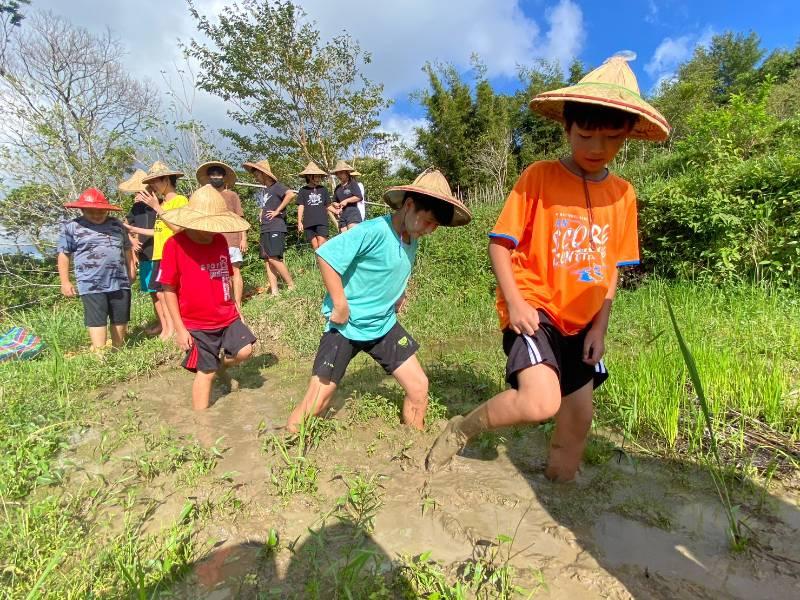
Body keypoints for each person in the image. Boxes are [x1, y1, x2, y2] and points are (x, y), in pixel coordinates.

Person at [425, 55, 671, 481]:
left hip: (583, 322)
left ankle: (560, 496)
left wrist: (599, 329)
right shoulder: (539, 176)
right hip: (535, 309)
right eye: (586, 134)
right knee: (540, 403)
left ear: (629, 134)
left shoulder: (623, 195)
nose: (597, 148)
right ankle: (461, 429)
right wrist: (517, 304)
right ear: (566, 128)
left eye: (612, 137)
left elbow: (611, 270)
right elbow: (500, 246)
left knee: (578, 420)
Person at [285, 169, 472, 432]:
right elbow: (326, 255)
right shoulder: (372, 231)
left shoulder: (411, 236)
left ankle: (414, 446)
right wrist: (340, 304)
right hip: (347, 326)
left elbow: (396, 265)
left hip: (383, 325)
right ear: (409, 206)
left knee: (419, 388)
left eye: (435, 226)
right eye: (428, 222)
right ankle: (287, 446)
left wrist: (400, 293)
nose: (429, 231)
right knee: (318, 400)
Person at [156, 185, 256, 411]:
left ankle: (220, 365)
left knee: (245, 350)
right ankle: (202, 423)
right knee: (206, 373)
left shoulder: (219, 241)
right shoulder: (175, 245)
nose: (210, 231)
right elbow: (168, 289)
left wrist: (237, 309)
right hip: (197, 323)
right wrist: (179, 328)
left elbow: (226, 277)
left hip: (226, 314)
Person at [57, 188, 135, 351]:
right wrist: (65, 281)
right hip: (91, 283)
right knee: (96, 319)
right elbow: (64, 254)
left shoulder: (116, 224)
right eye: (91, 212)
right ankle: (100, 355)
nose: (97, 215)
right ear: (82, 210)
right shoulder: (72, 227)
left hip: (119, 280)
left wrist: (131, 268)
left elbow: (127, 248)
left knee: (120, 316)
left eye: (101, 211)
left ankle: (118, 350)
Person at [123, 161, 189, 340]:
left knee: (166, 291)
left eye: (155, 182)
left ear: (166, 179)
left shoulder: (179, 200)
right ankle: (168, 327)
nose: (152, 186)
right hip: (159, 254)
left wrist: (156, 208)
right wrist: (134, 231)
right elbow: (159, 230)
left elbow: (178, 228)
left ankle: (175, 328)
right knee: (158, 291)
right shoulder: (165, 204)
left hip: (172, 252)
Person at [119, 169, 164, 336]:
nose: (141, 193)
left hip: (159, 252)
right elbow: (125, 226)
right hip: (145, 253)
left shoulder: (160, 204)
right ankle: (161, 323)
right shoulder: (136, 208)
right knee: (152, 292)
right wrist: (132, 242)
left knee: (163, 291)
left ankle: (170, 324)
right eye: (138, 191)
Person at [197, 161, 248, 305]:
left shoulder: (232, 196)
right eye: (212, 174)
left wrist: (243, 238)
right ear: (208, 177)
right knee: (218, 273)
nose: (215, 177)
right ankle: (226, 301)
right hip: (212, 240)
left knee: (235, 271)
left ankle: (237, 303)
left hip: (232, 239)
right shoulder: (205, 197)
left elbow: (240, 218)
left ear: (224, 177)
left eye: (218, 174)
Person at [244, 159, 296, 295]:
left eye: (257, 175)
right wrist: (261, 213)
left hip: (276, 226)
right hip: (265, 227)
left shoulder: (277, 186)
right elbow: (265, 205)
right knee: (267, 259)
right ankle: (274, 291)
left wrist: (278, 211)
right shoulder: (265, 190)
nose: (256, 178)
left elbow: (291, 194)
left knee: (273, 257)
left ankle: (291, 284)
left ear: (264, 174)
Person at [295, 161, 337, 250]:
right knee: (316, 248)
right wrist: (299, 222)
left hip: (322, 222)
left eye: (319, 176)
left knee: (323, 246)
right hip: (308, 223)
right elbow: (301, 206)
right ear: (309, 176)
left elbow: (328, 205)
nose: (318, 178)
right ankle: (320, 264)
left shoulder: (323, 189)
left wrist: (337, 211)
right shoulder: (303, 190)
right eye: (316, 176)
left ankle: (326, 263)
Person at [331, 160, 363, 231]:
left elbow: (359, 197)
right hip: (342, 215)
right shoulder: (337, 188)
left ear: (347, 173)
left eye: (341, 173)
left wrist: (346, 201)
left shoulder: (353, 184)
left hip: (353, 213)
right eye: (337, 174)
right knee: (344, 238)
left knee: (353, 236)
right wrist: (335, 204)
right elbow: (333, 201)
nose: (339, 176)